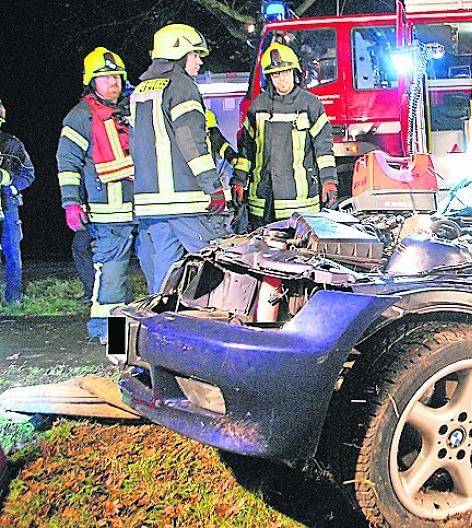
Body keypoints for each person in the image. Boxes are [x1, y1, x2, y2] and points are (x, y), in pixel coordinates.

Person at [131, 24, 231, 294]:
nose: (199, 61)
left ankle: (160, 326)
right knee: (218, 264)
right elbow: (192, 142)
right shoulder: (182, 87)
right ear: (178, 54)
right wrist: (214, 186)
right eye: (194, 54)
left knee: (165, 273)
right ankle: (218, 328)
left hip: (153, 203)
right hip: (185, 199)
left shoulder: (141, 90)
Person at [57, 47, 140, 343]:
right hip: (108, 214)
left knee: (161, 276)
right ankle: (112, 337)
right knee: (112, 280)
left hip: (144, 208)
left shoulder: (131, 110)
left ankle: (149, 339)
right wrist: (71, 203)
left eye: (116, 76)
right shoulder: (80, 116)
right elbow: (67, 163)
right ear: (92, 82)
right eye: (105, 78)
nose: (113, 82)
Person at [233, 42, 338, 229]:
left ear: (295, 73)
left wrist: (329, 181)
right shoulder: (258, 107)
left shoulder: (310, 104)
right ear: (269, 78)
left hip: (300, 204)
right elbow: (246, 152)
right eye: (275, 74)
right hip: (262, 202)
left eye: (286, 72)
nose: (282, 79)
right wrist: (239, 180)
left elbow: (324, 149)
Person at [0, 99, 35, 306]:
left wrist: (11, 187)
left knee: (12, 252)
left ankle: (13, 298)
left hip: (7, 205)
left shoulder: (12, 144)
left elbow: (29, 174)